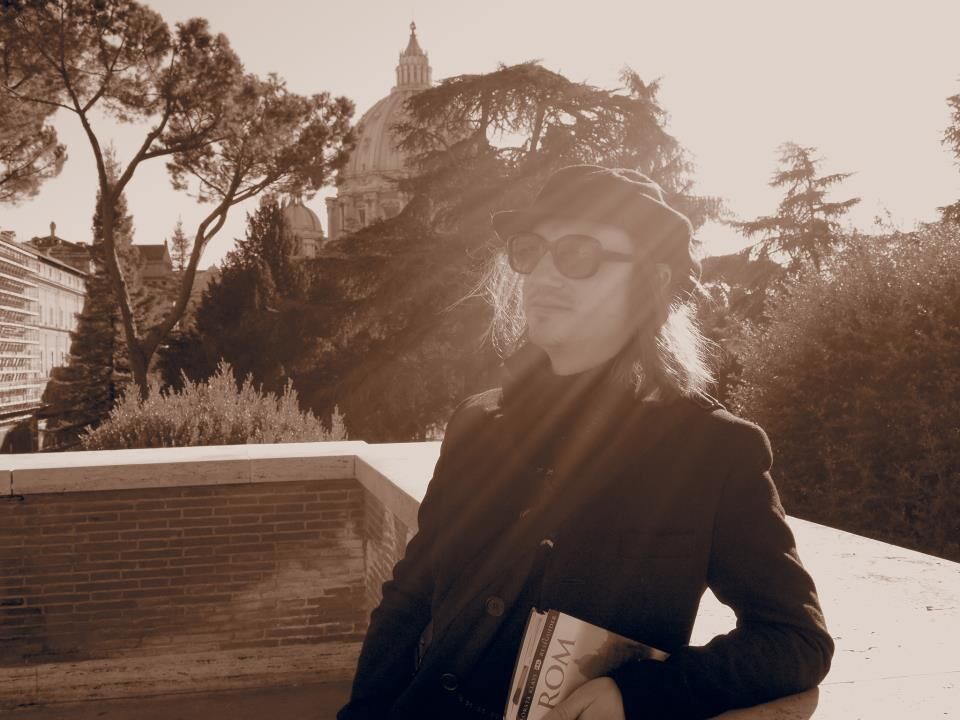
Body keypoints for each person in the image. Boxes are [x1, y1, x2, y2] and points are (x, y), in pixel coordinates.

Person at [337, 165, 833, 720]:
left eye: (578, 255)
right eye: (531, 251)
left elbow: (796, 640)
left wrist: (640, 694)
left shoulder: (714, 451)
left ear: (652, 283)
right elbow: (408, 601)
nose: (543, 275)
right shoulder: (476, 424)